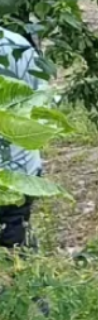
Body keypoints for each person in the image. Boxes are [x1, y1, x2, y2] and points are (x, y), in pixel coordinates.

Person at [0, 27, 44, 251]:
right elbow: (42, 103)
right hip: (19, 168)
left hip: (14, 171)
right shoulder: (15, 44)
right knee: (15, 243)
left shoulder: (13, 46)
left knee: (14, 242)